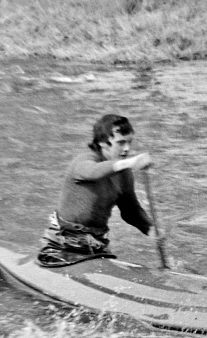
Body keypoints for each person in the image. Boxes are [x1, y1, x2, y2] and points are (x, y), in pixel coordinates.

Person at [38, 114, 155, 267]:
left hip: (97, 247)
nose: (126, 148)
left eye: (129, 142)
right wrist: (130, 162)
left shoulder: (124, 174)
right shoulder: (83, 162)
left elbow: (130, 211)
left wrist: (151, 229)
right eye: (120, 143)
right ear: (102, 142)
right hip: (61, 247)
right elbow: (93, 172)